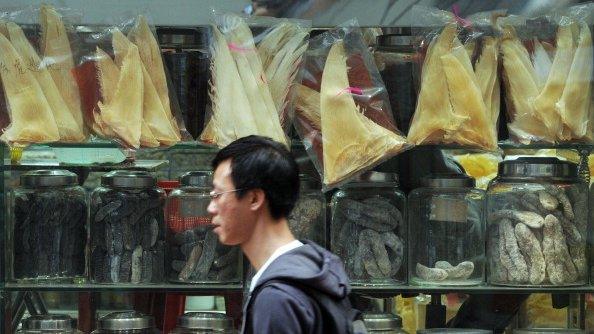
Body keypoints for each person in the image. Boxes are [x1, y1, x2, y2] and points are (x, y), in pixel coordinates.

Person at [207, 135, 357, 334]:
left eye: (218, 195)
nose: (211, 208)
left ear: (254, 199)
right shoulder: (314, 269)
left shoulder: (277, 299)